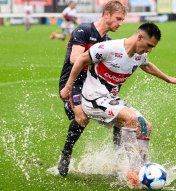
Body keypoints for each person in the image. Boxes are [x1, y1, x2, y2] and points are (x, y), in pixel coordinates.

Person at [60, 22, 176, 186]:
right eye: (148, 45)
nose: (149, 50)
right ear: (139, 36)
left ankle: (140, 168)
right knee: (131, 119)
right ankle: (135, 174)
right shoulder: (109, 48)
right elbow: (82, 58)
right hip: (93, 99)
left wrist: (167, 78)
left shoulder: (139, 55)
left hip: (111, 100)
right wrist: (68, 86)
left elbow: (146, 65)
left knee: (145, 126)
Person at [57, 0, 127, 177]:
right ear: (106, 14)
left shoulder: (107, 41)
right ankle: (66, 154)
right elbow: (74, 59)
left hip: (92, 85)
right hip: (72, 82)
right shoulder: (84, 30)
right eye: (118, 19)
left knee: (119, 114)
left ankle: (118, 158)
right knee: (82, 117)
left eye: (122, 20)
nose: (120, 23)